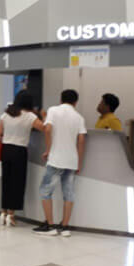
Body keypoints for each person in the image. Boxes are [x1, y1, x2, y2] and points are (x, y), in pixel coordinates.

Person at [33, 90, 86, 237]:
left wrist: (48, 150)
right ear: (76, 102)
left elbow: (47, 129)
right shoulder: (79, 117)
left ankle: (50, 226)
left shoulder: (53, 110)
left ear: (60, 99)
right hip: (72, 161)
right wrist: (79, 162)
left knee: (45, 191)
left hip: (56, 159)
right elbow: (81, 140)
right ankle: (65, 227)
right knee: (68, 193)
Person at [0, 90, 45, 226]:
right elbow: (44, 128)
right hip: (19, 151)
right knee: (17, 183)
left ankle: (3, 212)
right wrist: (43, 116)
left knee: (6, 180)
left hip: (6, 149)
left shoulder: (6, 114)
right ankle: (11, 215)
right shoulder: (29, 116)